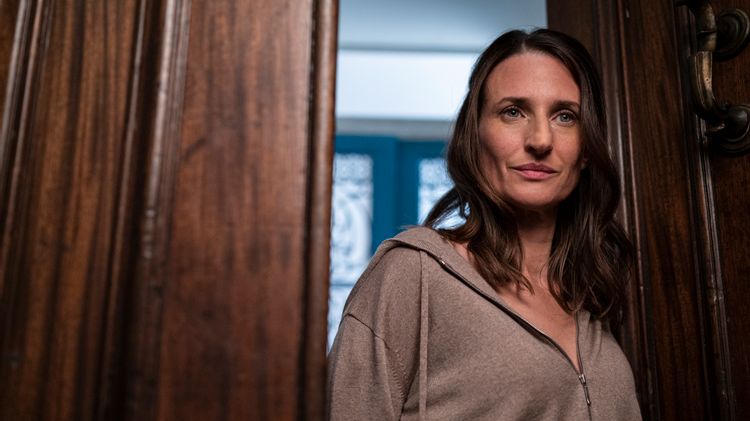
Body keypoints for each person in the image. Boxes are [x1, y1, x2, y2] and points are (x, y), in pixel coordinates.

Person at [327, 29, 641, 420]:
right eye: (513, 112)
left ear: (587, 149)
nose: (540, 140)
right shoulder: (414, 273)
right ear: (475, 134)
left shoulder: (591, 294)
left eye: (565, 116)